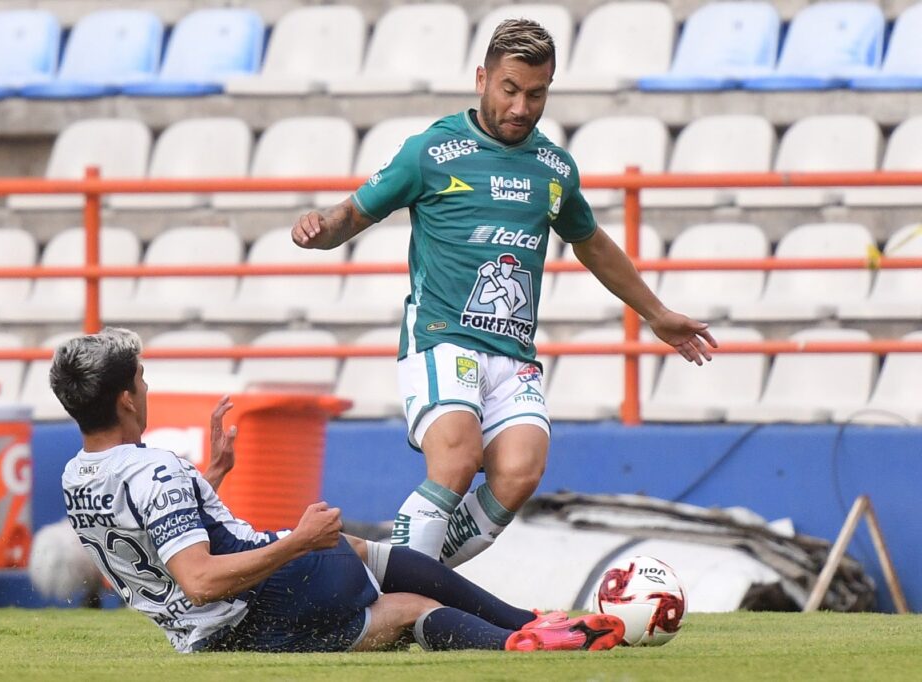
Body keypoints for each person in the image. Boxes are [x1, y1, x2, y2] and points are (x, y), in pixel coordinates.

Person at [291, 18, 718, 567]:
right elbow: (352, 213)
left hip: (513, 354)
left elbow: (590, 242)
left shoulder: (554, 168)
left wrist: (655, 313)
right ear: (482, 79)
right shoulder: (431, 152)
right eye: (509, 90)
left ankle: (392, 570)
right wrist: (321, 229)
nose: (521, 107)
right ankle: (405, 594)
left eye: (536, 94)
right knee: (456, 460)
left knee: (520, 472)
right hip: (442, 339)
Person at [49, 327, 626, 654]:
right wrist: (298, 542)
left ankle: (523, 635)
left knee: (398, 602)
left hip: (208, 640)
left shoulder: (77, 477)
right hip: (255, 602)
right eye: (142, 380)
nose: (146, 388)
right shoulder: (154, 469)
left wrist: (212, 476)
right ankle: (526, 629)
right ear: (126, 400)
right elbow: (199, 581)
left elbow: (147, 537)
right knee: (365, 560)